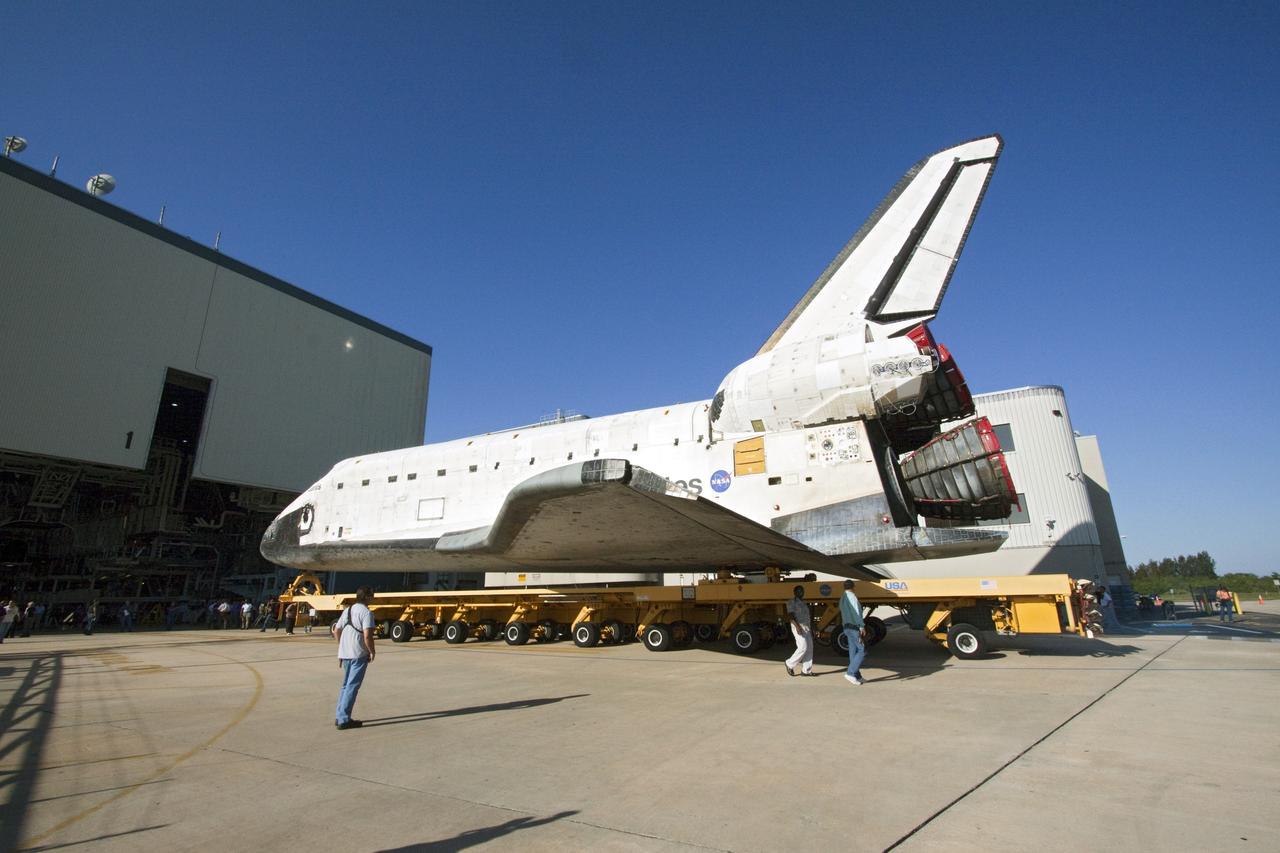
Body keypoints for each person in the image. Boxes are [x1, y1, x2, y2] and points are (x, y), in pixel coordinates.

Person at [333, 587, 376, 730]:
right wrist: (372, 651)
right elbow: (367, 636)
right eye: (372, 596)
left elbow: (337, 630)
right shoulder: (366, 613)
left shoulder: (348, 610)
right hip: (358, 654)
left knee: (345, 685)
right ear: (367, 597)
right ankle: (344, 719)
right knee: (352, 686)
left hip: (345, 653)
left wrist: (341, 647)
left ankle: (339, 716)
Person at [839, 580, 868, 685]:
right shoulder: (852, 597)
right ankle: (850, 673)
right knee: (862, 650)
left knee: (853, 651)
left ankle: (856, 675)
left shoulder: (842, 598)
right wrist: (861, 626)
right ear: (853, 586)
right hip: (854, 627)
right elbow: (856, 613)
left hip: (846, 628)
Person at [783, 585, 815, 677]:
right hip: (798, 627)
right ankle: (789, 663)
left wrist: (813, 628)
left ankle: (806, 670)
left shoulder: (804, 603)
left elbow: (809, 617)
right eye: (799, 591)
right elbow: (791, 616)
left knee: (809, 648)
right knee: (803, 647)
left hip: (807, 627)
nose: (801, 593)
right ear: (795, 592)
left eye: (802, 591)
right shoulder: (791, 602)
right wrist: (797, 627)